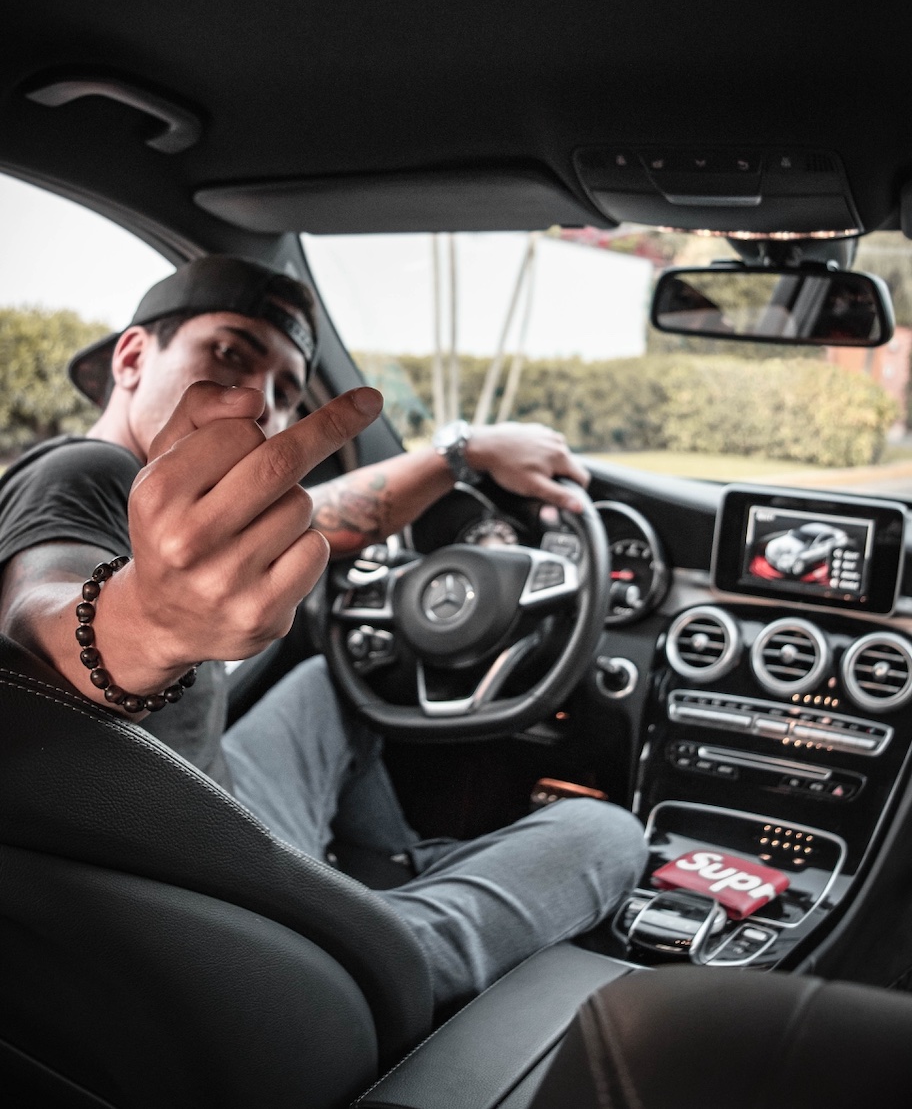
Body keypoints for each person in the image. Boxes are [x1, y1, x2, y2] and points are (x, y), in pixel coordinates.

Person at [0, 255, 647, 1011]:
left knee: (331, 685)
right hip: (214, 905)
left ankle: (387, 870)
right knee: (608, 834)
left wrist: (462, 455)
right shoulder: (84, 472)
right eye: (230, 355)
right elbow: (36, 613)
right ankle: (388, 942)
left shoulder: (159, 497)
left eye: (284, 390)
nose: (260, 405)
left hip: (203, 807)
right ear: (135, 356)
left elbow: (326, 518)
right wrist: (143, 625)